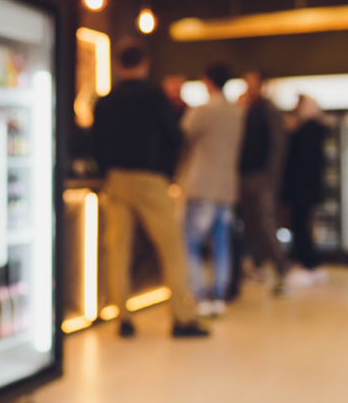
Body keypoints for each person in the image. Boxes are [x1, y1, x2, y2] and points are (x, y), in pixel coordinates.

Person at [93, 37, 208, 338]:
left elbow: (94, 143)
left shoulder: (106, 100)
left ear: (118, 65)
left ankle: (123, 318)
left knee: (118, 251)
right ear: (145, 63)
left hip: (116, 179)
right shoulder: (155, 97)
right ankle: (182, 318)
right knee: (171, 249)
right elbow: (176, 137)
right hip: (150, 179)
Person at [179, 63, 244, 317]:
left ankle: (199, 295)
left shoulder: (203, 110)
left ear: (207, 81)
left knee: (190, 243)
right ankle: (219, 296)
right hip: (227, 188)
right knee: (221, 244)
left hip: (201, 185)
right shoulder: (237, 112)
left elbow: (183, 136)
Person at [238, 70, 289, 296]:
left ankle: (281, 269)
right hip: (243, 176)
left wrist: (271, 175)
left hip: (262, 177)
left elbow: (278, 145)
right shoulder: (244, 110)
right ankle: (257, 266)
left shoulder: (270, 111)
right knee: (250, 224)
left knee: (267, 224)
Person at [282, 94, 328, 286]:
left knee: (301, 227)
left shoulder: (305, 132)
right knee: (303, 227)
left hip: (302, 190)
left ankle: (307, 264)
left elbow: (298, 163)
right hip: (309, 190)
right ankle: (309, 263)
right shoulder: (315, 130)